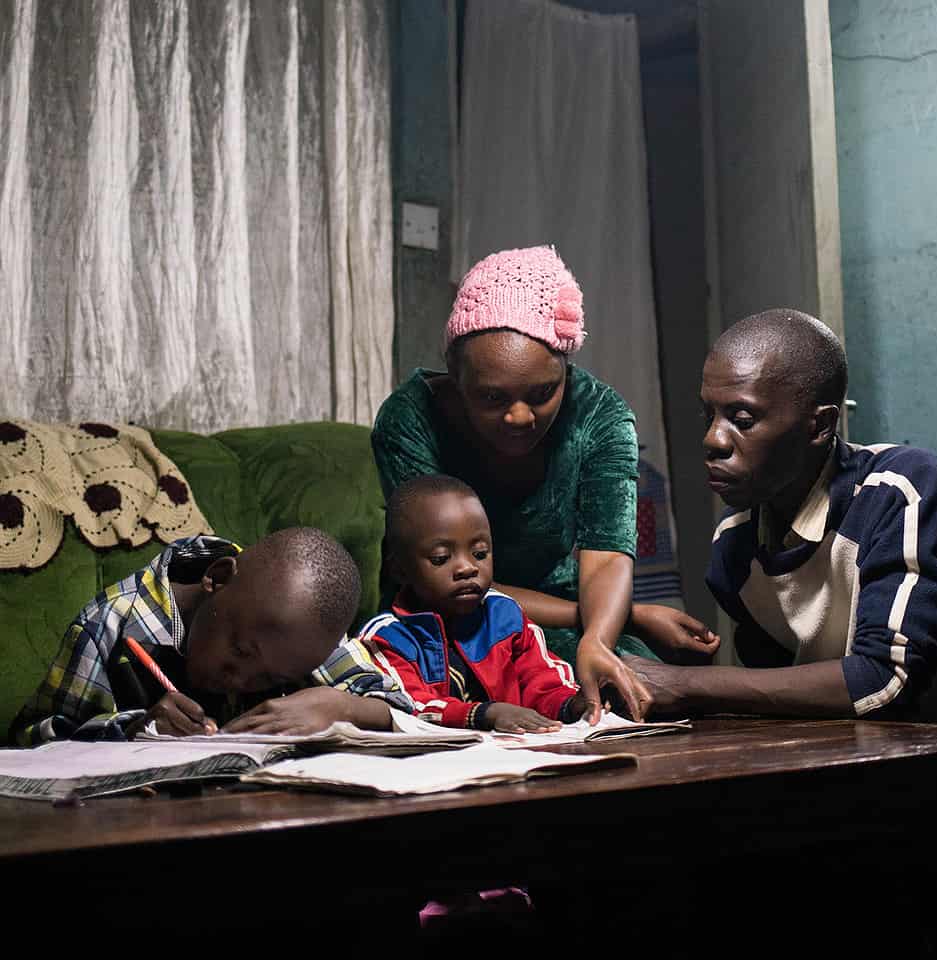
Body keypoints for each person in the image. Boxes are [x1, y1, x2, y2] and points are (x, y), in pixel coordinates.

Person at [623, 308, 937, 724]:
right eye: (709, 416)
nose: (713, 440)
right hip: (856, 751)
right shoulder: (735, 545)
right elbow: (778, 694)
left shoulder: (904, 490)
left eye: (742, 420)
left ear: (821, 425)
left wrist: (683, 684)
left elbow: (885, 680)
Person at [371, 244, 719, 723]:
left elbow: (606, 559)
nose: (518, 417)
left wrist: (599, 637)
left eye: (542, 394)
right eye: (492, 397)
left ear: (566, 371)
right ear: (456, 377)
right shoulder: (411, 419)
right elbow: (440, 575)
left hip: (563, 615)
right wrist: (627, 615)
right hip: (443, 617)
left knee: (638, 689)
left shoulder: (600, 416)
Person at [10, 527, 413, 746]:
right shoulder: (111, 623)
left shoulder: (304, 626)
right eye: (240, 652)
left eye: (269, 681)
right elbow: (31, 740)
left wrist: (338, 706)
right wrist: (133, 727)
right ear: (216, 579)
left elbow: (402, 706)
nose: (240, 681)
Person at [360, 473, 586, 733]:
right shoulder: (387, 637)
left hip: (517, 756)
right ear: (400, 570)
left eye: (479, 554)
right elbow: (408, 705)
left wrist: (572, 705)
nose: (467, 568)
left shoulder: (505, 615)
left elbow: (543, 681)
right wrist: (485, 714)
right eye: (441, 558)